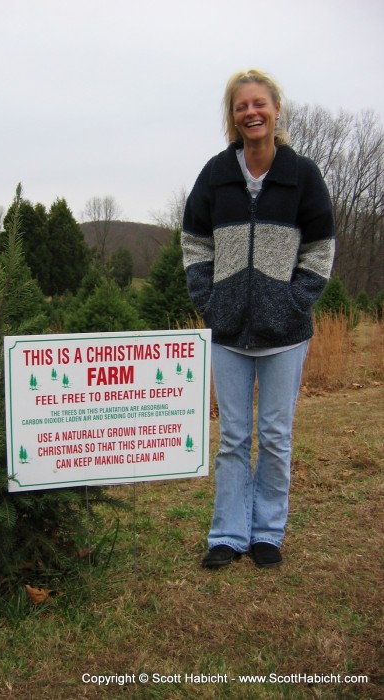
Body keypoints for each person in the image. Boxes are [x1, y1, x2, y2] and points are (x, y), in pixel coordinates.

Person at [181, 69, 335, 569]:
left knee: (274, 437)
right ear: (233, 116)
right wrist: (211, 301)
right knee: (232, 438)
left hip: (285, 334)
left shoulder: (303, 175)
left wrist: (294, 302)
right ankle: (227, 534)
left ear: (275, 110)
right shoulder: (215, 175)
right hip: (227, 332)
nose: (252, 113)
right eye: (241, 106)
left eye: (259, 104)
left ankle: (267, 532)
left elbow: (319, 249)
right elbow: (194, 244)